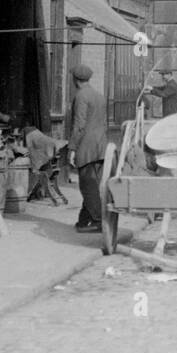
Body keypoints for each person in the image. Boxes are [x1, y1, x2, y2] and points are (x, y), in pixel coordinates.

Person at [69, 64, 108, 232]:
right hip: (101, 145)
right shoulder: (99, 96)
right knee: (92, 184)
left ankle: (99, 220)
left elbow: (79, 125)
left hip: (86, 146)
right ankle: (84, 221)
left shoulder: (81, 96)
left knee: (86, 185)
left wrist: (72, 148)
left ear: (75, 80)